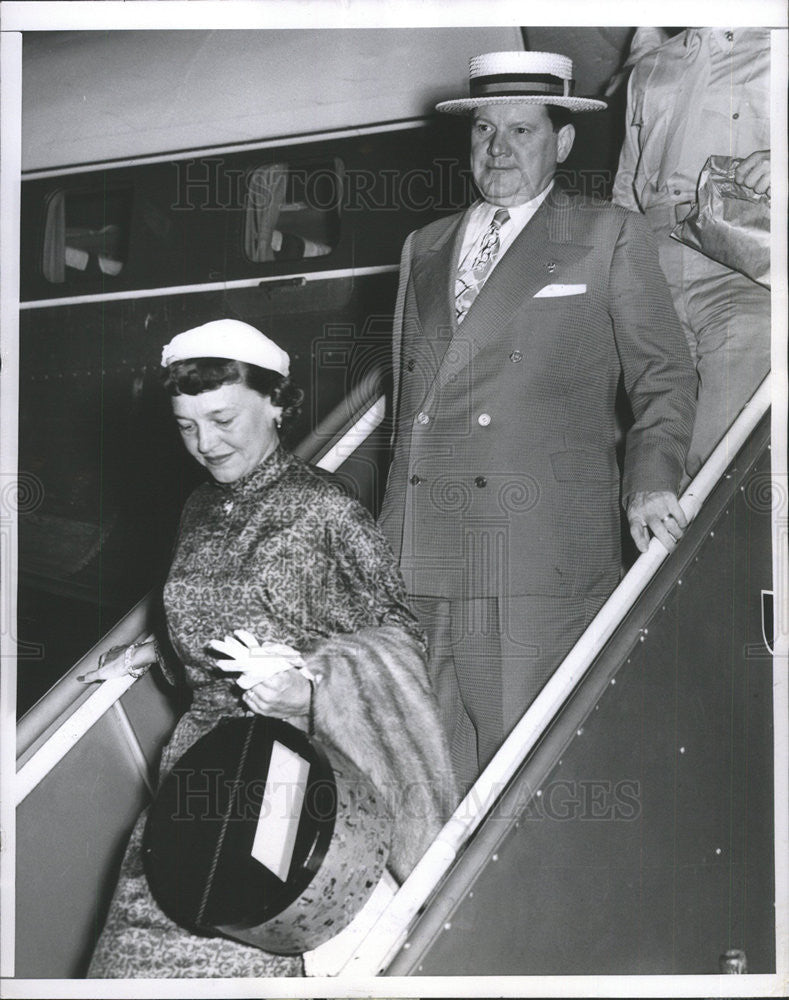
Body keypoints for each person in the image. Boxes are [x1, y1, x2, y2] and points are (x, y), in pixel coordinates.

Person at [79, 318, 457, 978]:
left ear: (277, 402)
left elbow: (401, 635)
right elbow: (211, 609)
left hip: (288, 776)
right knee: (132, 961)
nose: (205, 442)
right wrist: (158, 648)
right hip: (196, 772)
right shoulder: (199, 504)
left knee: (246, 957)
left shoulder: (323, 509)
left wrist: (309, 688)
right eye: (187, 425)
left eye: (223, 419)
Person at [378, 50, 697, 791]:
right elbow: (407, 407)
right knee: (423, 779)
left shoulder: (605, 234)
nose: (498, 149)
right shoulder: (422, 246)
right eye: (484, 130)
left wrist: (650, 482)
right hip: (419, 552)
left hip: (530, 552)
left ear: (562, 142)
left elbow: (664, 373)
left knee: (519, 782)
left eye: (521, 130)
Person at [612, 27, 771, 480]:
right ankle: (664, 531)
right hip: (651, 254)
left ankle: (714, 536)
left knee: (727, 432)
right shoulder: (651, 64)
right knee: (660, 420)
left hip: (735, 246)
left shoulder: (776, 45)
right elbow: (628, 179)